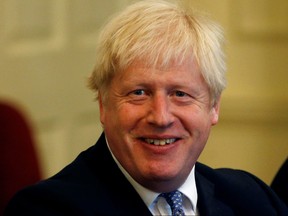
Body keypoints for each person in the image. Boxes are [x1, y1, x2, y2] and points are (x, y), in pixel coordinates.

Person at [4, 1, 288, 215]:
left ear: (213, 106)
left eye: (180, 94)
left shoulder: (254, 200)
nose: (161, 117)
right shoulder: (45, 211)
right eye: (139, 93)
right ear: (103, 105)